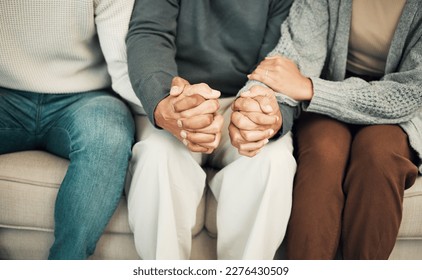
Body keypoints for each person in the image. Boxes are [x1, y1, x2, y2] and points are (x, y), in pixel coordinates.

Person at [246, 0, 422, 259]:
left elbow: (410, 92)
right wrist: (257, 105)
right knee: (323, 152)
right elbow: (295, 59)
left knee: (380, 156)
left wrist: (311, 88)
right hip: (324, 98)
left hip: (395, 111)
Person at [126, 0, 296, 259]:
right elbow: (149, 32)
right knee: (157, 156)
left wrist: (262, 111)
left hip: (246, 96)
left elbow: (282, 56)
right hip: (178, 93)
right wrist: (165, 103)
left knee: (274, 161)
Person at [0, 1, 142, 259]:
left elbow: (123, 63)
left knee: (108, 135)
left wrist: (165, 105)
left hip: (85, 97)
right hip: (4, 95)